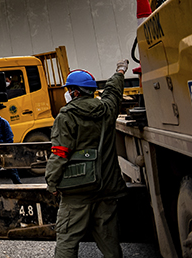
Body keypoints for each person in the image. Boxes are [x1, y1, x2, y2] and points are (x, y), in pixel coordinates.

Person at [45, 61, 129, 258]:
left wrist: (52, 183)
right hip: (107, 188)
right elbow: (113, 91)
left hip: (77, 191)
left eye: (68, 89)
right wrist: (120, 71)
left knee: (67, 240)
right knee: (110, 242)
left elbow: (60, 153)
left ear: (74, 92)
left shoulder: (66, 116)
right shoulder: (107, 109)